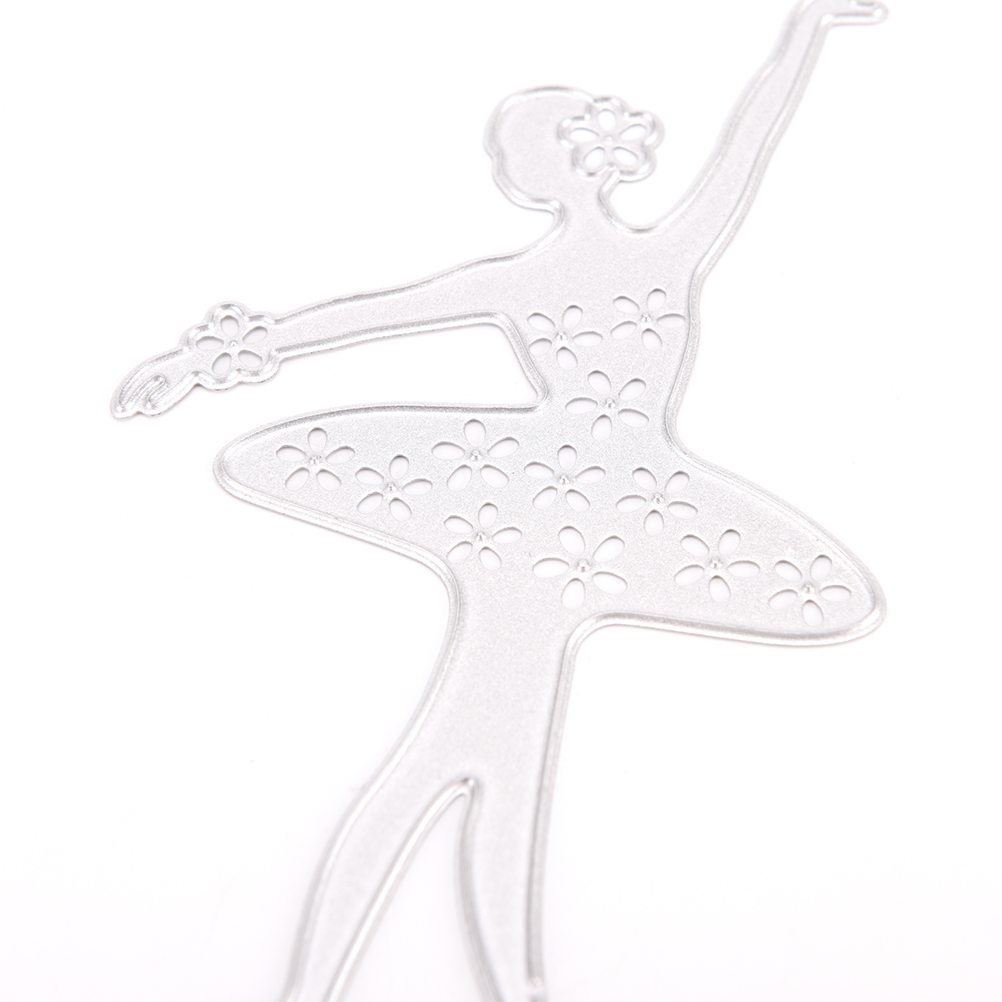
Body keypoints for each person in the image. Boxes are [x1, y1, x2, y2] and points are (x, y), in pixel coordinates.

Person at [112, 3, 888, 1000]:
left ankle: (375, 977)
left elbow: (751, 140)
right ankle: (497, 980)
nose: (511, 168)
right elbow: (358, 319)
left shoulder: (610, 261)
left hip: (574, 507)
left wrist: (807, 32)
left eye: (518, 153)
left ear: (566, 163)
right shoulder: (620, 260)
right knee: (482, 752)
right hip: (559, 508)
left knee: (467, 750)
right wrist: (202, 360)